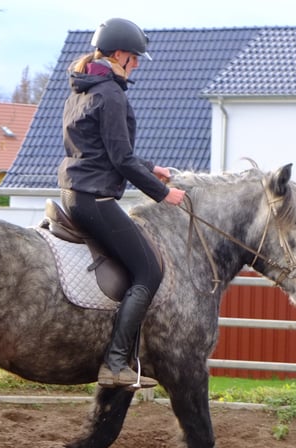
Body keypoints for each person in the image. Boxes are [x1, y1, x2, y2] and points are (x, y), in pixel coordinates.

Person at [58, 17, 186, 390]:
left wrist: (153, 167)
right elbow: (120, 159)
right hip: (96, 198)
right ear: (119, 56)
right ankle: (116, 363)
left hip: (73, 193)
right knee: (149, 272)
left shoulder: (82, 89)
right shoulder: (111, 94)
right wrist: (164, 194)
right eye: (134, 59)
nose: (135, 68)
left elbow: (101, 150)